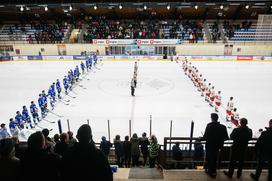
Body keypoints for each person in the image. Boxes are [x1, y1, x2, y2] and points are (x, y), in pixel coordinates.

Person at [201, 113, 229, 178]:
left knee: (209, 158)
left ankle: (211, 172)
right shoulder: (223, 127)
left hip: (210, 146)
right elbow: (226, 138)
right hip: (218, 146)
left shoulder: (209, 126)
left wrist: (200, 139)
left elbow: (205, 137)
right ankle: (213, 171)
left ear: (211, 118)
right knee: (215, 158)